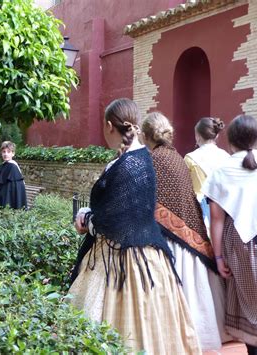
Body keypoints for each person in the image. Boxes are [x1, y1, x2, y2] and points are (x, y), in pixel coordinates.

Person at [69, 98, 200, 354]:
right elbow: (123, 210)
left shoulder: (126, 164)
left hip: (119, 260)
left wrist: (87, 221)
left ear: (109, 126)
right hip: (149, 258)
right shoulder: (144, 158)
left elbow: (116, 224)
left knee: (105, 332)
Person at [141, 112, 228, 350]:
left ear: (146, 135)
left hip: (172, 238)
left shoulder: (153, 159)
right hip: (194, 229)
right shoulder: (177, 156)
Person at [202, 115, 257, 355]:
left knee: (249, 312)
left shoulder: (221, 172)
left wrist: (219, 257)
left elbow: (217, 219)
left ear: (230, 140)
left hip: (242, 247)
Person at [184, 117, 230, 227]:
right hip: (224, 209)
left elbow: (184, 188)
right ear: (216, 135)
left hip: (197, 212)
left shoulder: (190, 159)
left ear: (197, 136)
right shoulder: (226, 157)